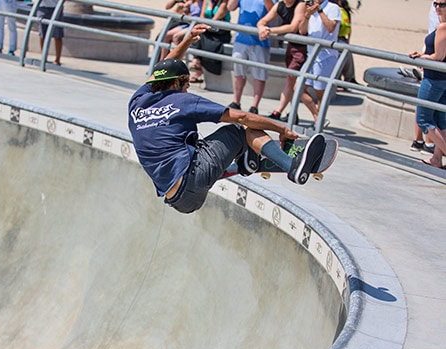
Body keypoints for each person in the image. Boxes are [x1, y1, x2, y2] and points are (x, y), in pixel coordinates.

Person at [128, 24, 326, 214]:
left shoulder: (138, 101)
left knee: (197, 148)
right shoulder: (183, 101)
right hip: (192, 181)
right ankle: (293, 166)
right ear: (177, 82)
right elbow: (243, 116)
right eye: (186, 83)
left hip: (176, 199)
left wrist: (188, 39)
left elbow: (163, 70)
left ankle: (246, 161)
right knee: (241, 129)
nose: (188, 87)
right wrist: (281, 130)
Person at [409, 1, 446, 169]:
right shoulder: (441, 25)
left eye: (443, 4)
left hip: (434, 78)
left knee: (423, 119)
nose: (438, 7)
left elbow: (438, 56)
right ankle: (437, 159)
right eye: (435, 3)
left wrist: (422, 57)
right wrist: (424, 54)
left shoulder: (443, 27)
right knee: (441, 120)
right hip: (441, 78)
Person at [258, 0, 307, 121]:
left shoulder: (300, 4)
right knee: (291, 81)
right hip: (291, 47)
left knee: (295, 82)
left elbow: (293, 27)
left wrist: (269, 31)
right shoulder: (280, 4)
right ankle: (290, 113)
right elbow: (262, 21)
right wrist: (261, 28)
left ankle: (281, 112)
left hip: (303, 48)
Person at [226, 0, 274, 115]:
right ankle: (236, 102)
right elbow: (230, 7)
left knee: (259, 75)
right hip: (241, 39)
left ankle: (254, 106)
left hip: (260, 41)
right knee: (238, 72)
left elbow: (273, 11)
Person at [298, 0, 342, 123]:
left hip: (326, 56)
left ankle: (319, 121)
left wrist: (320, 11)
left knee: (320, 93)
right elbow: (302, 31)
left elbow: (330, 28)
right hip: (311, 54)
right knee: (298, 88)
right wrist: (307, 15)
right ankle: (318, 117)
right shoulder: (309, 8)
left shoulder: (333, 8)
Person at [188, 0, 232, 83]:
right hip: (208, 28)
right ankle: (196, 61)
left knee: (209, 43)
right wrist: (204, 24)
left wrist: (205, 25)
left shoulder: (224, 2)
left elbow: (217, 17)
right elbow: (202, 16)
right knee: (197, 34)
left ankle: (197, 64)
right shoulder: (207, 1)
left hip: (220, 32)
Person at [333, 0, 358, 86]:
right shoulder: (333, 8)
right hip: (335, 38)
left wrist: (348, 40)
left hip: (342, 38)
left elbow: (349, 26)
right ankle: (339, 80)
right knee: (340, 56)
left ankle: (350, 78)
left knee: (348, 55)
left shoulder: (344, 9)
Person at [37, 0, 64, 66]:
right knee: (42, 34)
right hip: (42, 7)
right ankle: (43, 57)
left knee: (58, 35)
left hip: (56, 7)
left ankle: (57, 59)